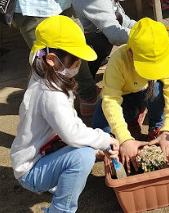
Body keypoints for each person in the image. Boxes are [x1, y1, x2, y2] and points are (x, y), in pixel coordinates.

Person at [10, 15, 119, 213]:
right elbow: (71, 134)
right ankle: (60, 210)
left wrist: (95, 146)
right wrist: (104, 139)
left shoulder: (43, 71)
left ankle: (58, 179)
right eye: (74, 60)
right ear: (52, 59)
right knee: (83, 157)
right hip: (31, 171)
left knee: (86, 151)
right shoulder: (49, 93)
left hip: (43, 155)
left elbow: (70, 125)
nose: (78, 64)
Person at [92, 18, 169, 173]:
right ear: (130, 53)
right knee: (103, 131)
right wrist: (124, 138)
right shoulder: (118, 61)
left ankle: (156, 126)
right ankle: (132, 117)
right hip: (123, 97)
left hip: (147, 93)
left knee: (158, 89)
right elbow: (111, 100)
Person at [69, 0, 141, 116]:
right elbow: (114, 33)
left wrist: (144, 27)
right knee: (103, 41)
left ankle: (86, 78)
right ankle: (84, 90)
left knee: (102, 40)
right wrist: (142, 38)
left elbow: (123, 20)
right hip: (72, 47)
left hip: (83, 38)